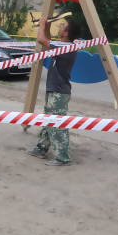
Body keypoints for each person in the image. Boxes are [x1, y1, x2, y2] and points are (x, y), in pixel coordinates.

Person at [28, 16, 82, 166]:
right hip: (54, 89)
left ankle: (63, 158)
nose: (59, 26)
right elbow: (48, 41)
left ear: (66, 33)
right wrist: (46, 27)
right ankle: (41, 148)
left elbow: (42, 40)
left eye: (62, 25)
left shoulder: (66, 48)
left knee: (57, 123)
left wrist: (42, 25)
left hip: (59, 91)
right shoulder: (61, 45)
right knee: (48, 120)